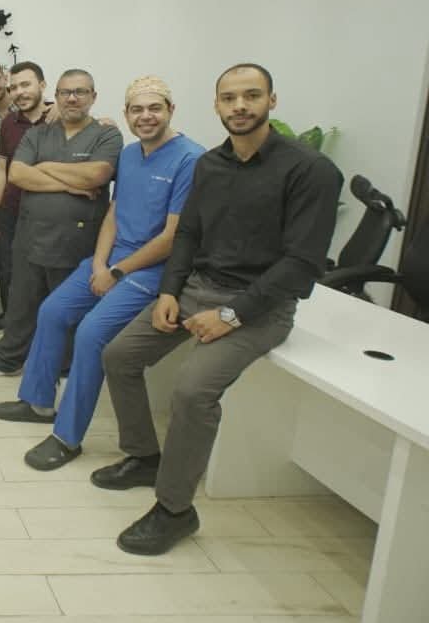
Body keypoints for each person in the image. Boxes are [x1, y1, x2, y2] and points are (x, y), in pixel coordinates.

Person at [97, 64, 342, 556]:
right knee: (118, 356)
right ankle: (144, 457)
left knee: (192, 391)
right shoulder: (210, 164)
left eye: (251, 96)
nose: (240, 106)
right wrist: (169, 292)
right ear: (216, 105)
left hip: (260, 307)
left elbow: (302, 264)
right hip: (196, 290)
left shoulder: (310, 170)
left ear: (272, 100)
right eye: (229, 98)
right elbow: (188, 234)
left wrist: (231, 315)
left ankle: (174, 510)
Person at [0, 77, 204, 472]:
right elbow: (114, 212)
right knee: (52, 311)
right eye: (137, 109)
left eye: (154, 108)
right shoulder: (130, 154)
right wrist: (99, 264)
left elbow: (173, 237)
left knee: (91, 333)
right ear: (125, 114)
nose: (145, 116)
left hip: (151, 269)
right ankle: (37, 402)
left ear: (171, 110)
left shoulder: (190, 159)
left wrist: (118, 271)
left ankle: (66, 437)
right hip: (111, 259)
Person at [0, 69, 123, 377]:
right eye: (66, 92)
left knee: (68, 307)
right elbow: (18, 174)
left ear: (93, 97)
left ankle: (66, 370)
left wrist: (44, 166)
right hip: (30, 233)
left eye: (80, 92)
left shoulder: (107, 134)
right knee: (21, 302)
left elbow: (97, 175)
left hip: (77, 238)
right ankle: (8, 359)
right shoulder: (37, 133)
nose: (72, 98)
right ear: (57, 95)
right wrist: (71, 183)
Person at [0, 61, 48, 336]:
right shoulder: (9, 122)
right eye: (15, 87)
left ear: (42, 85)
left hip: (44, 212)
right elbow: (2, 168)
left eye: (26, 85)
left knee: (42, 270)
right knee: (7, 267)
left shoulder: (58, 119)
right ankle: (11, 320)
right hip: (10, 210)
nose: (20, 92)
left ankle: (40, 326)